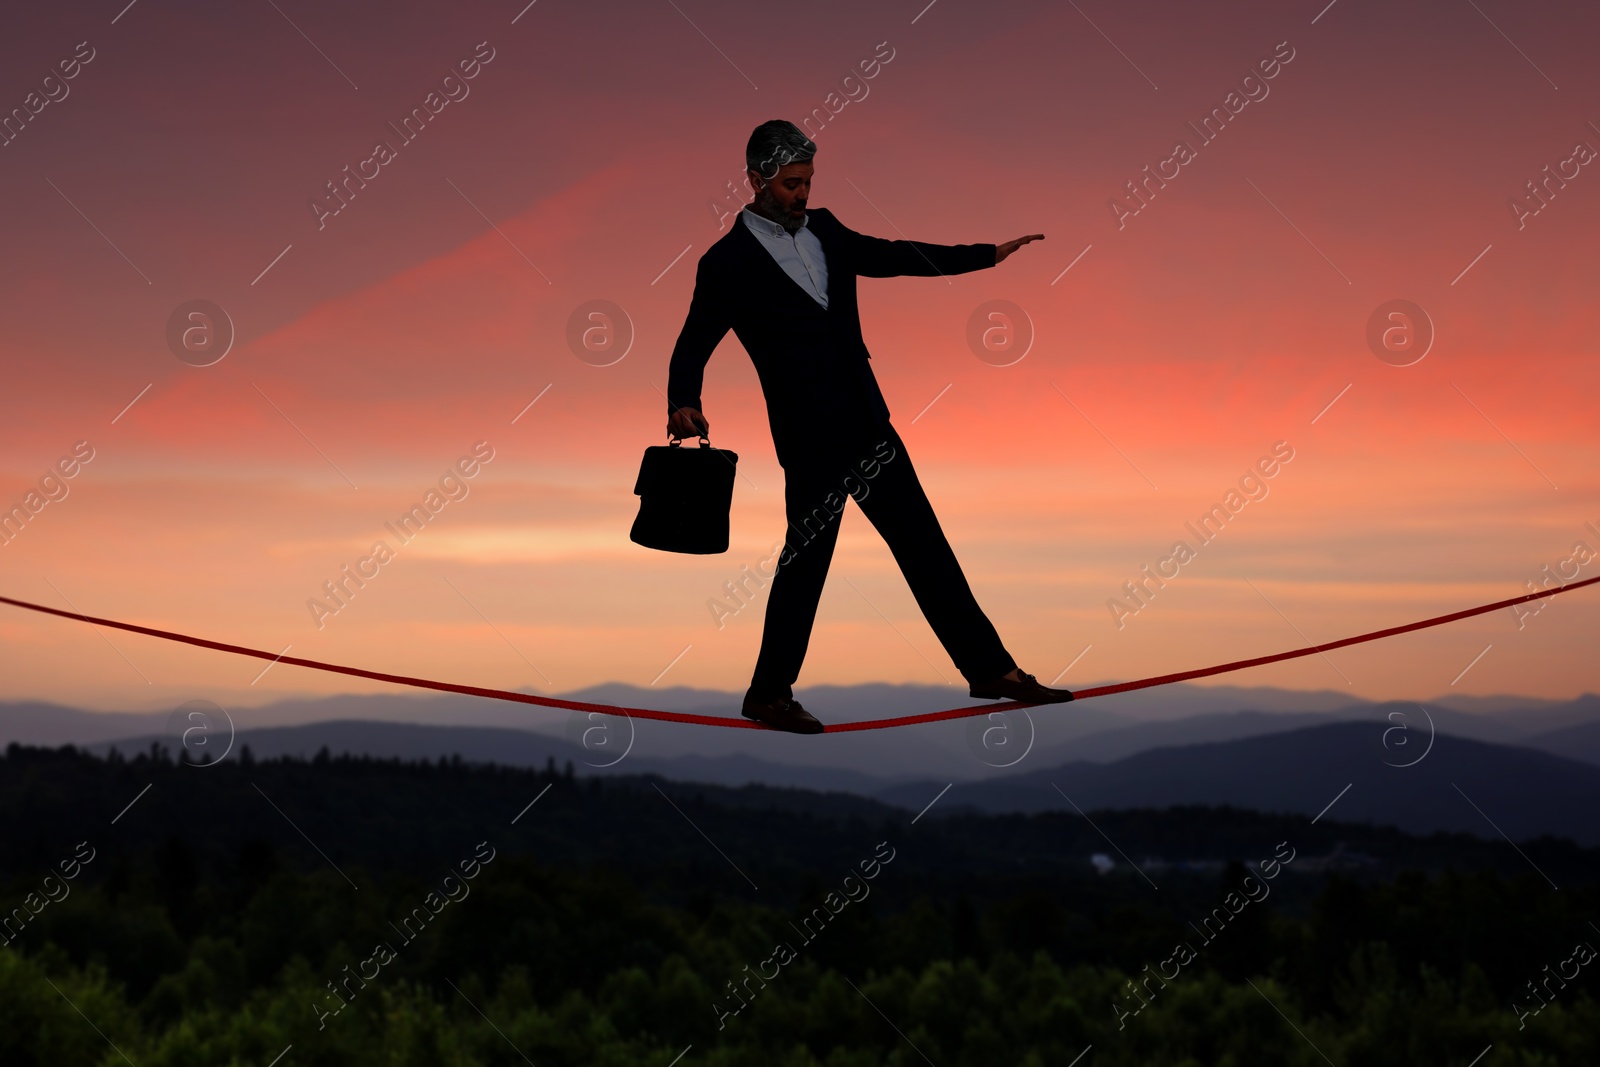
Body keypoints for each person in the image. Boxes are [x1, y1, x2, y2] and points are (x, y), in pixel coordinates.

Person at [665, 119, 1073, 734]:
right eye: (789, 183)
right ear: (754, 180)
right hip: (807, 435)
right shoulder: (725, 264)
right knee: (807, 561)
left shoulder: (827, 228)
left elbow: (893, 256)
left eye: (807, 181)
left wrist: (985, 257)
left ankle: (989, 670)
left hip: (867, 421)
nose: (801, 193)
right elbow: (694, 339)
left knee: (924, 544)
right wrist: (683, 399)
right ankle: (769, 694)